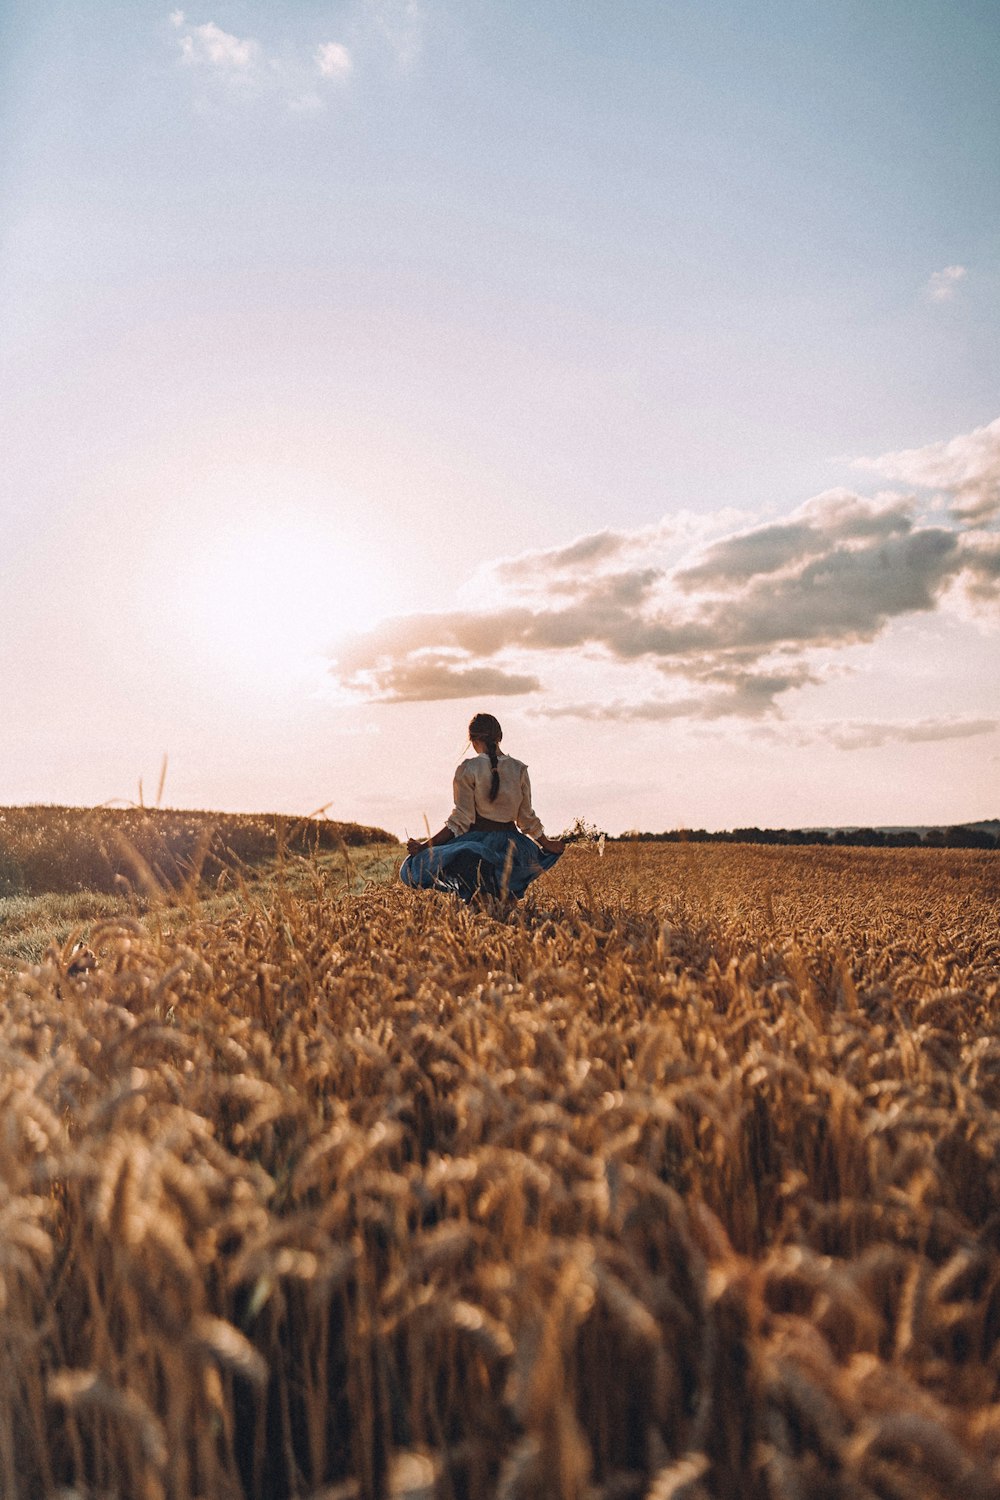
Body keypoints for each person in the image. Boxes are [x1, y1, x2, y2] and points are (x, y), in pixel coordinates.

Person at [399, 712, 565, 902]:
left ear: (473, 739)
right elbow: (526, 819)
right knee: (504, 900)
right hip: (513, 846)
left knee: (414, 868)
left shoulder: (468, 769)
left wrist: (425, 846)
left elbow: (461, 820)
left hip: (476, 847)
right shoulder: (519, 769)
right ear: (499, 737)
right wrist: (547, 844)